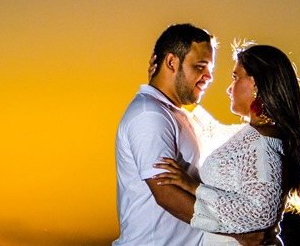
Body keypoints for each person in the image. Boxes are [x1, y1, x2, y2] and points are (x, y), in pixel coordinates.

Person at [115, 24, 275, 246]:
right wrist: (238, 236)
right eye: (200, 67)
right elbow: (166, 194)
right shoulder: (149, 115)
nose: (209, 77)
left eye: (210, 68)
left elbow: (239, 140)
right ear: (172, 62)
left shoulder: (175, 114)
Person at [152, 43, 300, 245]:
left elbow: (261, 213)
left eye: (235, 77)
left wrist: (194, 188)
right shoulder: (252, 135)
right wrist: (164, 84)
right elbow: (210, 129)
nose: (229, 88)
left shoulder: (263, 141)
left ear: (256, 83)